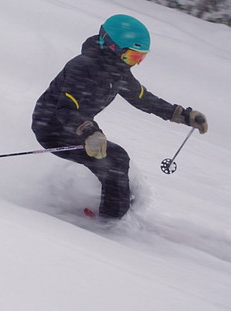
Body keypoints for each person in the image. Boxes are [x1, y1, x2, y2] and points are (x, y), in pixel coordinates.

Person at [31, 14, 207, 219]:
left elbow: (142, 98)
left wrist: (183, 115)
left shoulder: (117, 71)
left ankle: (117, 208)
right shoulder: (83, 67)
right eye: (133, 57)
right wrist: (89, 131)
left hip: (78, 128)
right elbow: (66, 110)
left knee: (114, 160)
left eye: (141, 58)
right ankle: (111, 221)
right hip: (52, 128)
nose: (136, 63)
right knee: (115, 159)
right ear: (113, 47)